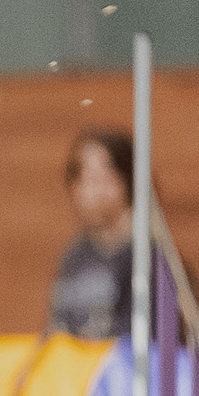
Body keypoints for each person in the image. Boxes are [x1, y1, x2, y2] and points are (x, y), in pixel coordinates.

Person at [48, 128, 135, 340]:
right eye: (83, 179)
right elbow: (58, 329)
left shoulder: (149, 256)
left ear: (127, 182)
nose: (91, 192)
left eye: (102, 178)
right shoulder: (75, 256)